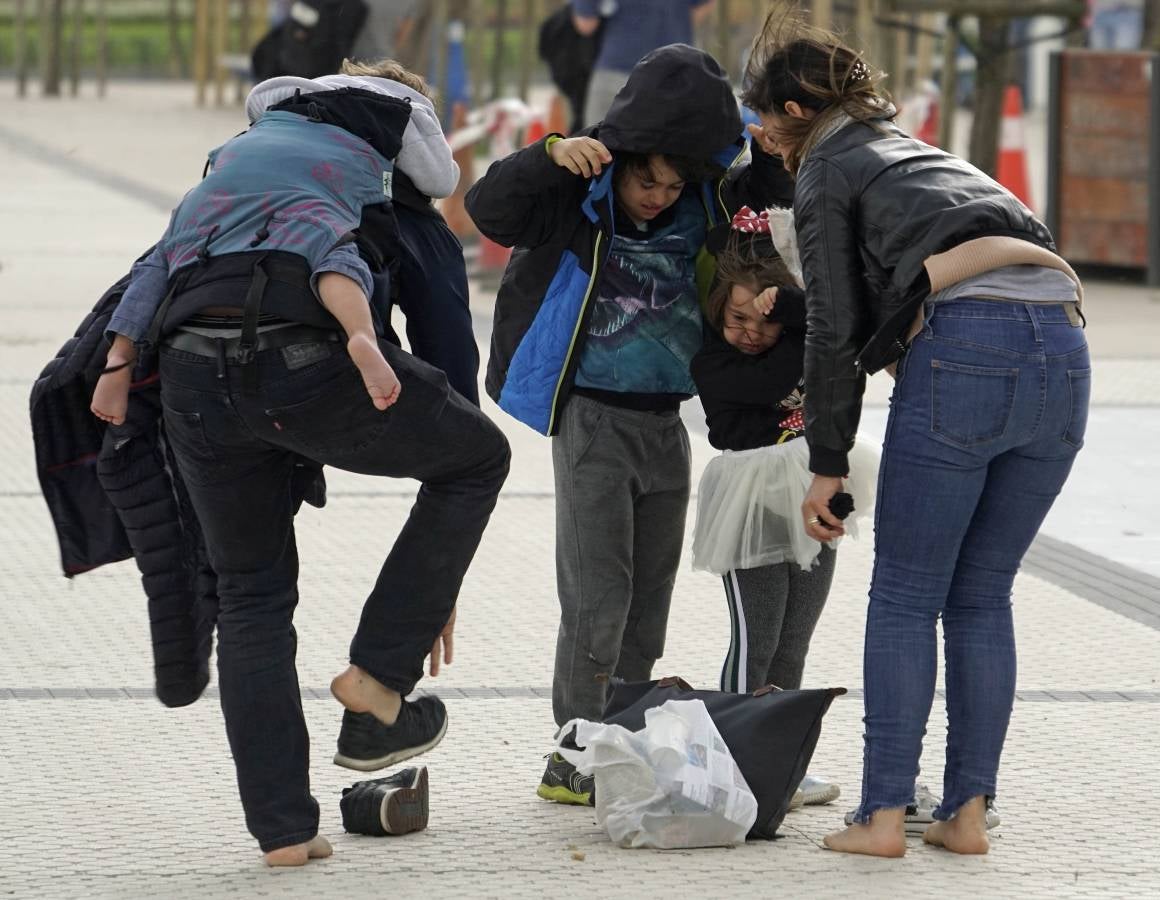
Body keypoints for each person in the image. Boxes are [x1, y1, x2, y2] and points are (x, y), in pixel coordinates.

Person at [90, 62, 512, 866]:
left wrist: (116, 367)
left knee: (250, 596)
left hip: (189, 373)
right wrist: (431, 585)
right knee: (479, 459)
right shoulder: (398, 208)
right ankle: (379, 676)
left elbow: (149, 278)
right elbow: (453, 378)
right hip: (305, 365)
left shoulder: (228, 185)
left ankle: (282, 830)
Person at [742, 8, 1090, 857]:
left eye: (760, 116)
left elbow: (832, 324)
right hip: (1066, 348)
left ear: (794, 108)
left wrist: (825, 463)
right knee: (981, 594)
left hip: (968, 347)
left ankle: (882, 815)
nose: (758, 137)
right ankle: (966, 814)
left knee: (904, 593)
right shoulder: (928, 155)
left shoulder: (828, 163)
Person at [465, 44, 744, 806]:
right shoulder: (574, 197)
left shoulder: (710, 204)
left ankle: (618, 739)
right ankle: (572, 751)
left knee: (649, 597)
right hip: (591, 418)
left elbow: (763, 156)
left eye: (672, 182)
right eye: (644, 179)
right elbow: (488, 209)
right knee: (597, 598)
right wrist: (551, 154)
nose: (657, 195)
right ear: (617, 160)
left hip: (666, 426)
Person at [90, 60, 461, 426]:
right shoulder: (406, 106)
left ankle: (120, 355)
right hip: (313, 195)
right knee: (334, 256)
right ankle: (360, 334)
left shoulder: (287, 101)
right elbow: (439, 181)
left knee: (164, 256)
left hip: (229, 179)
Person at [691, 213, 878, 807]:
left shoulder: (796, 341)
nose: (750, 332)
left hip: (809, 492)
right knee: (755, 640)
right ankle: (734, 763)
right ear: (717, 314)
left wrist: (795, 311)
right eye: (736, 319)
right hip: (751, 504)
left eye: (764, 321)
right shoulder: (714, 366)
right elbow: (791, 369)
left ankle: (780, 765)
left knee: (794, 641)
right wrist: (799, 312)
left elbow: (845, 346)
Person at [572, 0, 717, 125]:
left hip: (618, 68)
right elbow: (703, 6)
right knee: (671, 151)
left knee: (599, 147)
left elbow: (586, 24)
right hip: (674, 71)